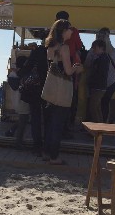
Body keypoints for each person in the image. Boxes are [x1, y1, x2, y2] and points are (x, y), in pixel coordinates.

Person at [42, 19, 83, 165]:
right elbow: (68, 71)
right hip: (62, 90)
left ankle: (46, 153)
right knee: (58, 125)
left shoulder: (51, 47)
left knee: (49, 123)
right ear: (63, 31)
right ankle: (54, 157)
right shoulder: (64, 48)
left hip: (50, 89)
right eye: (69, 29)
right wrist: (77, 68)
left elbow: (54, 66)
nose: (71, 31)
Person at [17, 31, 48, 156]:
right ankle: (47, 146)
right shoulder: (56, 51)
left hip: (34, 91)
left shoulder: (37, 51)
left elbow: (26, 68)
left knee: (35, 118)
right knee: (48, 119)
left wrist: (18, 74)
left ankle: (37, 146)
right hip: (49, 90)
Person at [54, 11, 84, 137]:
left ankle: (57, 129)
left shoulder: (53, 32)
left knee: (56, 101)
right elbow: (79, 47)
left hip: (56, 70)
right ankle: (65, 127)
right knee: (70, 98)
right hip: (70, 66)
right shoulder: (74, 31)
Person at [85, 27, 115, 123]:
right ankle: (99, 125)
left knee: (101, 104)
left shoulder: (113, 52)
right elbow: (87, 64)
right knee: (97, 105)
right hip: (102, 83)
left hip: (107, 83)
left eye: (105, 35)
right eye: (100, 35)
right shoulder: (94, 51)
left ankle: (100, 125)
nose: (102, 37)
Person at [86, 39, 109, 123]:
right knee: (97, 108)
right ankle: (100, 126)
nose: (93, 50)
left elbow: (98, 73)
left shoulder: (102, 59)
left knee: (93, 108)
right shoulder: (103, 58)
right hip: (100, 86)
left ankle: (97, 129)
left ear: (100, 48)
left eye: (95, 48)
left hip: (98, 87)